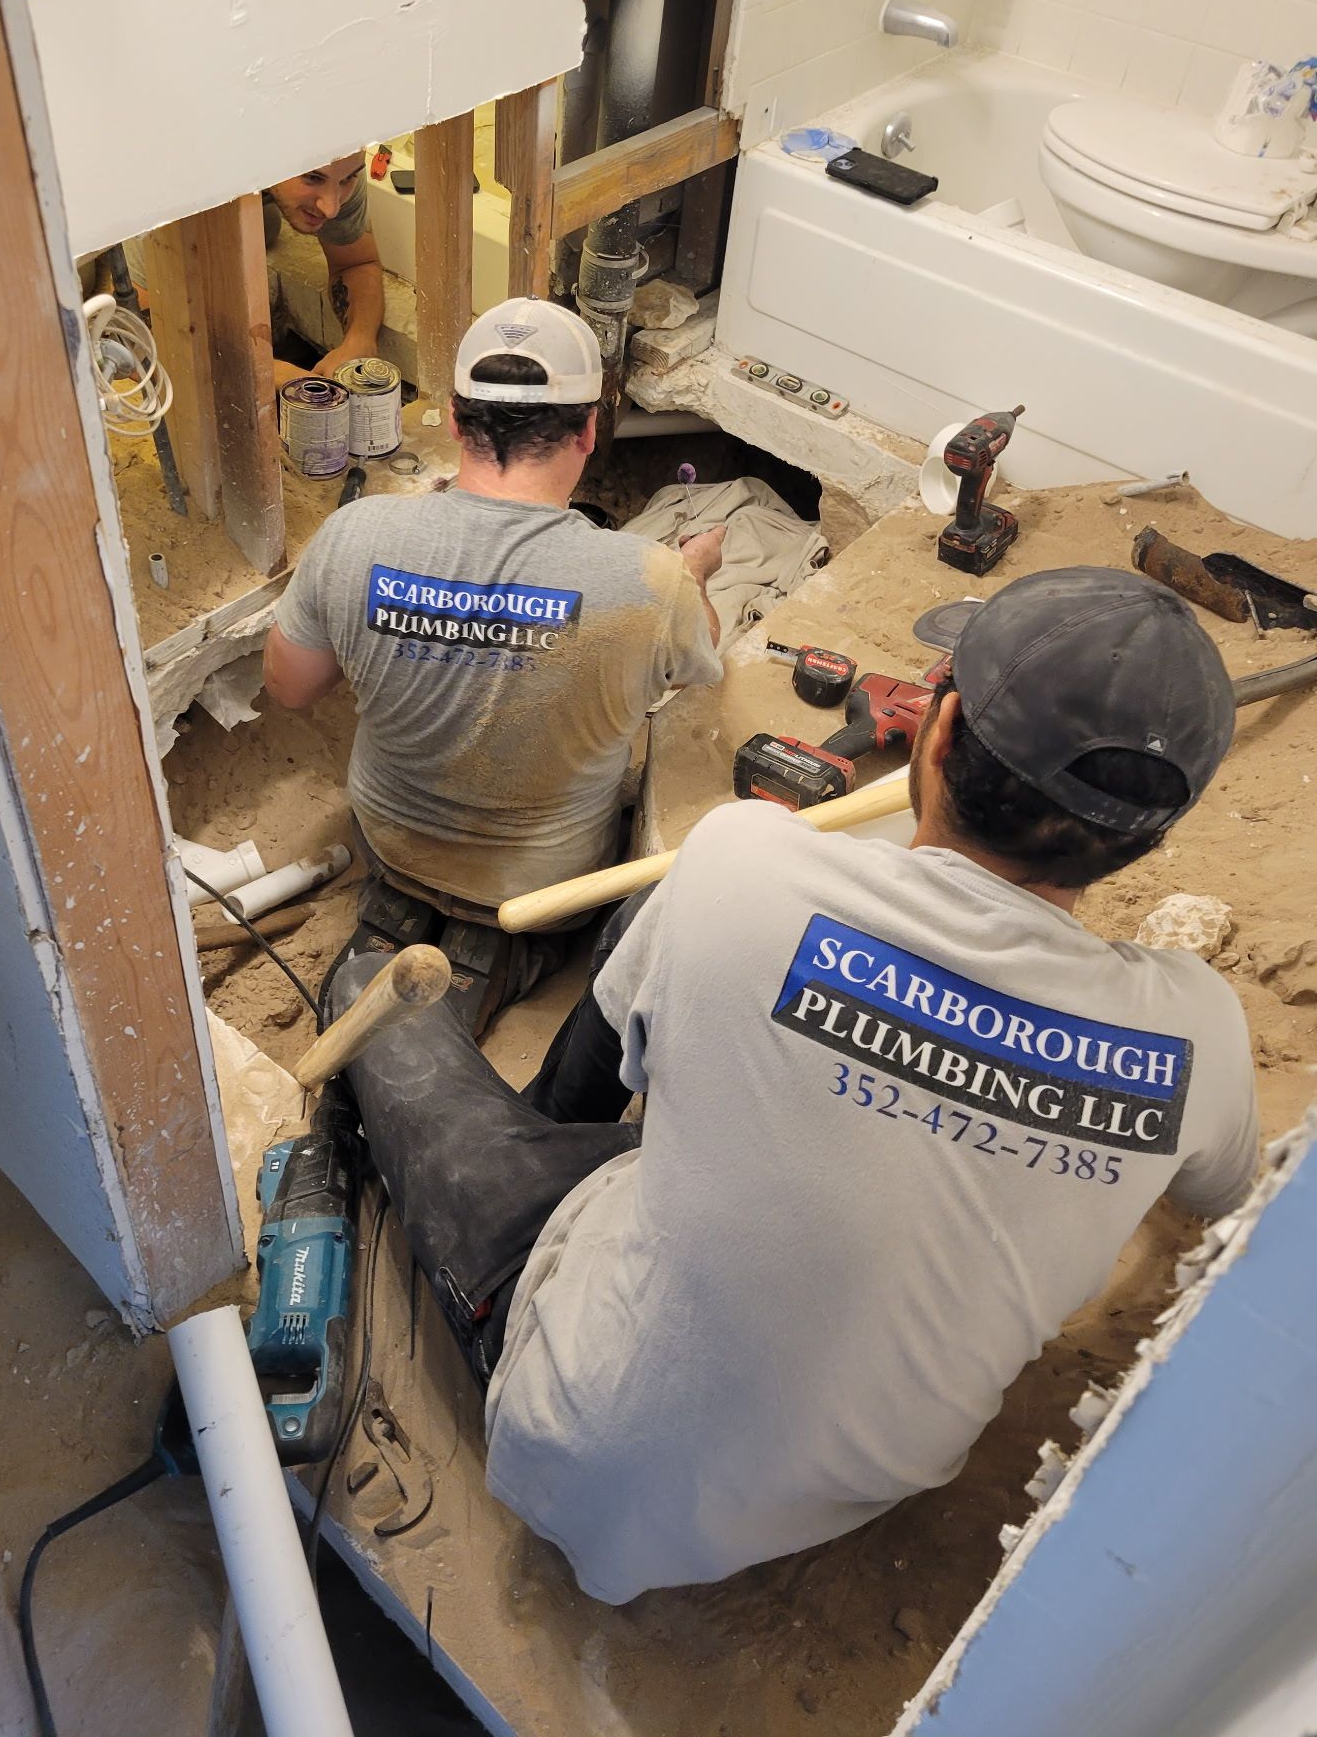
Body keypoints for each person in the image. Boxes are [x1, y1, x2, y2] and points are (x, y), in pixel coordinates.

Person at [325, 566, 1260, 1604]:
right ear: (1151, 835)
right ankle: (553, 1142)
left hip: (574, 1438)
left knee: (376, 988)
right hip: (850, 1487)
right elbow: (1237, 1206)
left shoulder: (742, 865)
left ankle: (538, 1148)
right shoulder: (1199, 1032)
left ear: (938, 736)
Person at [262, 297, 725, 1026]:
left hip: (388, 843)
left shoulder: (352, 534)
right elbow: (700, 664)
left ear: (454, 418)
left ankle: (409, 914)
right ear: (590, 428)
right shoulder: (649, 582)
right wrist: (693, 576)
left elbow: (290, 688)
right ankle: (500, 954)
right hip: (545, 894)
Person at [263, 149, 386, 380]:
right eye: (312, 177)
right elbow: (182, 330)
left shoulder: (341, 163)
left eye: (347, 180)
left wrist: (360, 339)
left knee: (266, 226)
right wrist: (271, 373)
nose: (332, 208)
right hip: (200, 212)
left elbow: (356, 263)